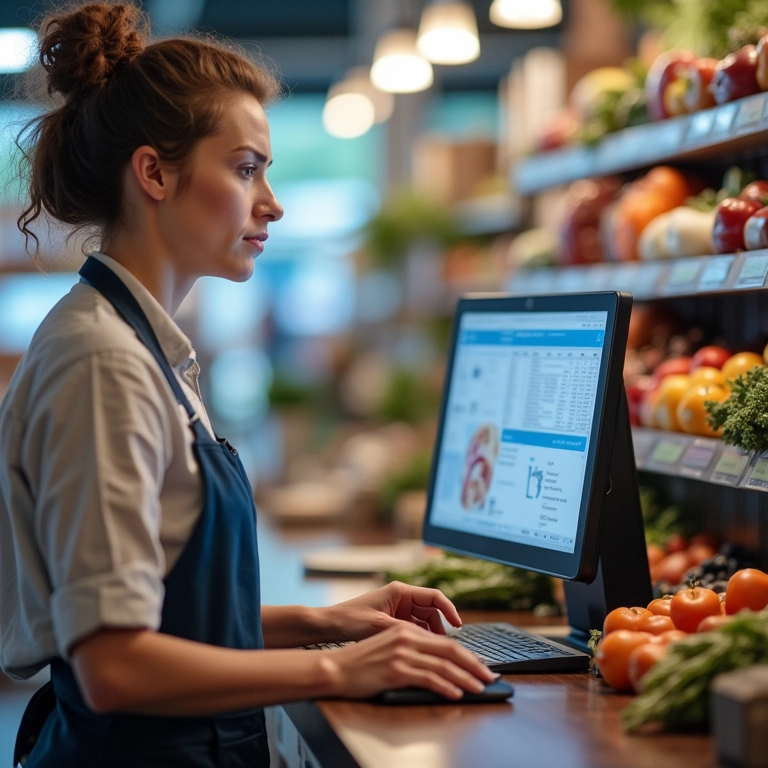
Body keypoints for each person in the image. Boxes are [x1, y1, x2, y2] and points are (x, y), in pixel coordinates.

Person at [0, 3, 495, 767]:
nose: (273, 202)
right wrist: (339, 669)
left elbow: (167, 617)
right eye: (245, 168)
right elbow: (114, 663)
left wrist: (326, 622)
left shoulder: (141, 344)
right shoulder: (103, 363)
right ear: (154, 173)